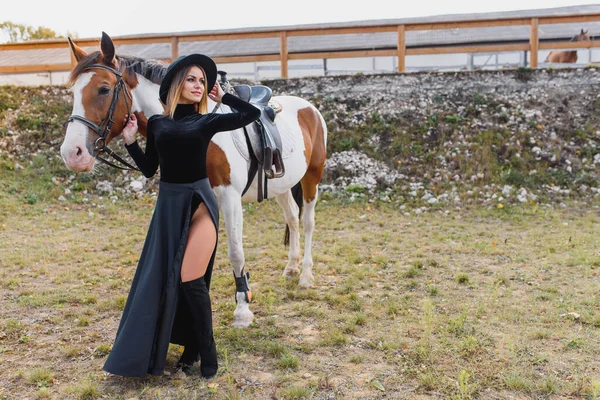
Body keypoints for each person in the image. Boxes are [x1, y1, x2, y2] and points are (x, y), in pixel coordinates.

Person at [102, 54, 260, 379]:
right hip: (169, 207)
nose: (198, 85)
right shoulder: (158, 123)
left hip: (200, 203)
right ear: (176, 84)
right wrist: (131, 142)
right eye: (192, 79)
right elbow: (149, 170)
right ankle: (186, 346)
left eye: (202, 81)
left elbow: (252, 113)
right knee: (162, 280)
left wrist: (223, 97)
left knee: (192, 279)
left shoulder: (208, 121)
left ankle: (207, 353)